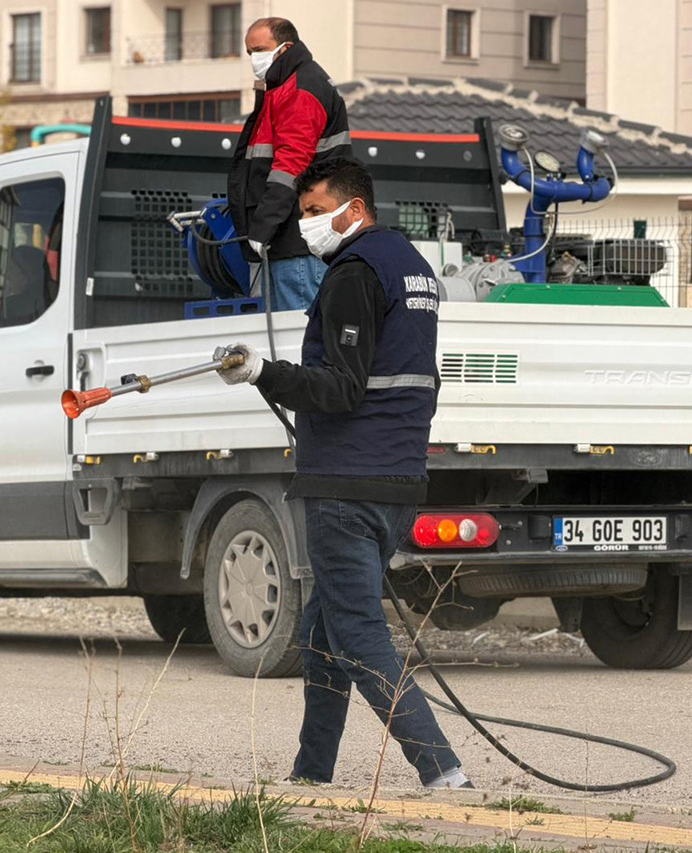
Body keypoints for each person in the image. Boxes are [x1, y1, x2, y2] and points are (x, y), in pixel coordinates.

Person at [217, 159, 471, 790]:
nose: (305, 225)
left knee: (356, 632)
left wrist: (262, 373)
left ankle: (443, 770)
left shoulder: (353, 274)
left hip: (345, 481)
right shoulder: (410, 265)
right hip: (397, 475)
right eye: (302, 212)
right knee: (323, 628)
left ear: (352, 210)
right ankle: (311, 772)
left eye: (312, 211)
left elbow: (342, 387)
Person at [228, 17, 352, 312]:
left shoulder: (299, 90)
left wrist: (262, 226)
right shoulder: (288, 87)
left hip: (295, 243)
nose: (254, 59)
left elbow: (290, 166)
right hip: (295, 240)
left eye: (260, 49)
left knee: (297, 339)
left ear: (285, 49)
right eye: (249, 53)